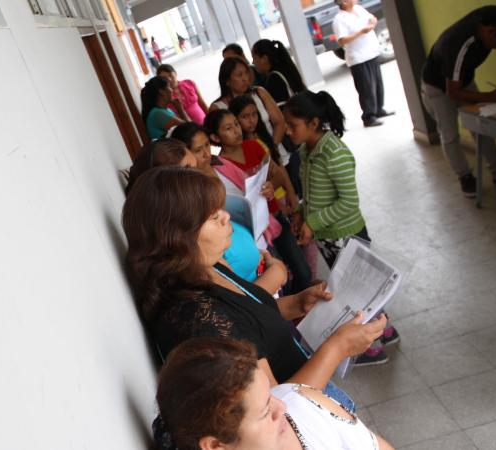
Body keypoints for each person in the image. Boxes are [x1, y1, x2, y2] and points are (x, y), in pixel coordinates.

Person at [122, 166, 387, 391]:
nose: (226, 216)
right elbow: (278, 406)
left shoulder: (207, 266)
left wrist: (297, 303)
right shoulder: (198, 321)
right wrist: (338, 348)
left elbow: (248, 320)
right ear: (179, 238)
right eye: (213, 217)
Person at [283, 90, 398, 366]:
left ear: (313, 123)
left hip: (347, 236)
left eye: (292, 125)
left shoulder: (334, 153)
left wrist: (313, 222)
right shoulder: (307, 150)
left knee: (355, 293)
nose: (287, 131)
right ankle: (386, 331)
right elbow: (313, 194)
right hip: (328, 237)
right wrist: (301, 213)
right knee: (356, 289)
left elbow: (349, 202)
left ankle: (370, 349)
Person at [156, 337, 395, 450]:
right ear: (217, 446)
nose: (282, 407)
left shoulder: (302, 400)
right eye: (264, 412)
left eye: (269, 395)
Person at [127, 135, 288, 295]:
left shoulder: (203, 221)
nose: (200, 174)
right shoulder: (196, 247)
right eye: (188, 172)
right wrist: (277, 273)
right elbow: (244, 300)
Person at [205, 109, 311, 296]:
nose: (237, 130)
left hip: (274, 218)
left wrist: (271, 186)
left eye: (236, 124)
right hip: (254, 231)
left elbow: (278, 174)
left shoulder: (253, 146)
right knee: (277, 275)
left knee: (302, 270)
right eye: (228, 128)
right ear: (215, 137)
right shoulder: (220, 165)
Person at [420, 6, 496, 197]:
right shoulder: (458, 46)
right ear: (490, 32)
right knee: (449, 134)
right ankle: (465, 176)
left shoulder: (490, 18)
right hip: (438, 87)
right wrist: (489, 97)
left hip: (463, 78)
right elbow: (453, 92)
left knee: (481, 124)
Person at [251, 38, 307, 200]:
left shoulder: (274, 79)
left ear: (264, 58)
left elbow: (282, 114)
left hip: (291, 144)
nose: (253, 63)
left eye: (255, 58)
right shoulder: (283, 71)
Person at [332, 0, 394, 128]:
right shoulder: (339, 19)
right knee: (366, 88)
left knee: (377, 84)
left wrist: (372, 23)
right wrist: (361, 32)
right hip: (358, 58)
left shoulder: (358, 9)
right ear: (344, 2)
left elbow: (372, 18)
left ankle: (379, 109)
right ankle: (368, 117)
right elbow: (342, 40)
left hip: (371, 52)